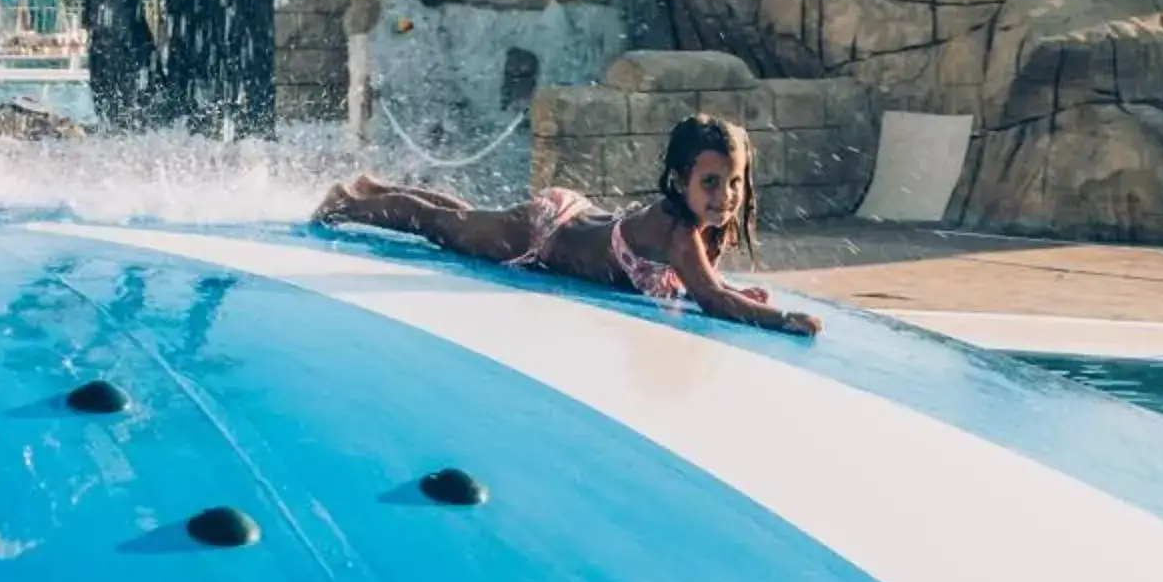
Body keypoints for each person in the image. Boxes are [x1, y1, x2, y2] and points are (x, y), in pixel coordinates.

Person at [315, 113, 822, 337]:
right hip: (544, 236)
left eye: (733, 182)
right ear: (678, 180)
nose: (725, 196)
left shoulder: (698, 228)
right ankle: (347, 204)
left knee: (462, 217)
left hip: (575, 216)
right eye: (711, 183)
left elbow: (702, 285)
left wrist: (732, 288)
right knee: (444, 228)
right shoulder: (676, 228)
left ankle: (373, 186)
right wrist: (782, 320)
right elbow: (709, 300)